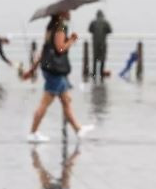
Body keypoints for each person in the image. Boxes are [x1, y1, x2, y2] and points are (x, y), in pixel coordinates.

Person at [23, 11, 93, 143]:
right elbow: (60, 48)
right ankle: (32, 132)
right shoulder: (60, 27)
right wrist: (71, 40)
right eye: (68, 11)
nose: (70, 13)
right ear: (62, 13)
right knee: (45, 103)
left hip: (50, 69)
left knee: (66, 101)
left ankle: (78, 129)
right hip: (55, 71)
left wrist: (33, 69)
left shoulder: (51, 27)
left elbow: (45, 50)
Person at [88, 10, 113, 79]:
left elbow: (90, 30)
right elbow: (110, 30)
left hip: (95, 43)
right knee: (102, 58)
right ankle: (101, 73)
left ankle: (94, 73)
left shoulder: (93, 22)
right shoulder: (105, 22)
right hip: (103, 43)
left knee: (95, 58)